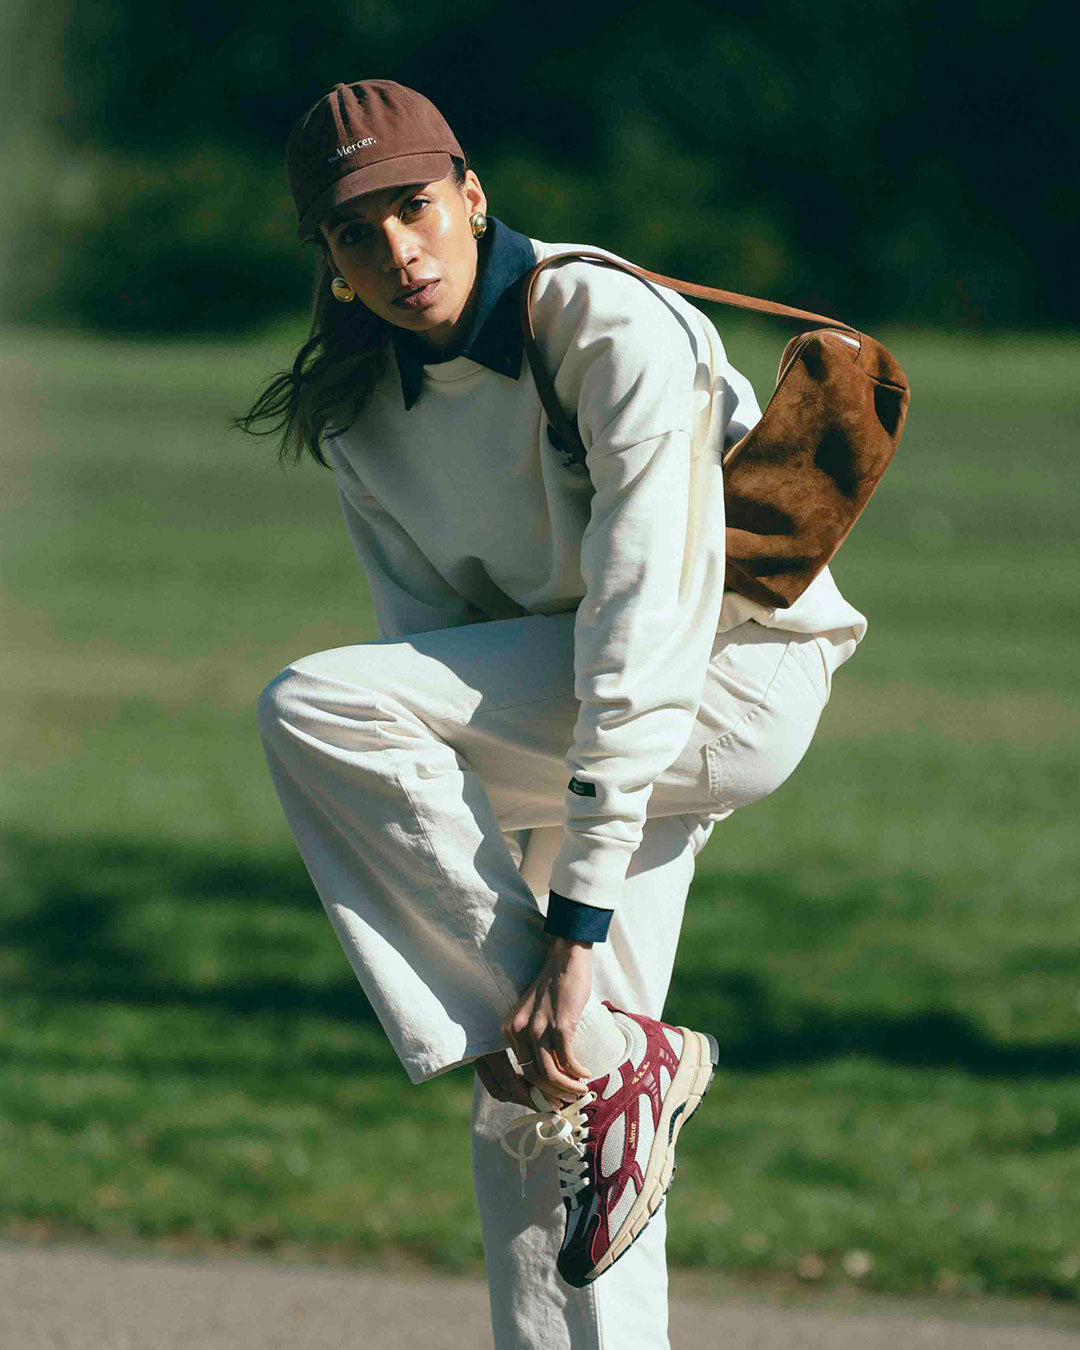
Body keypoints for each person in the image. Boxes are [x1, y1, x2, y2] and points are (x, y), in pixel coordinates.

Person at [239, 77, 866, 1350]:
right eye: (356, 234)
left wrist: (572, 922)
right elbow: (440, 655)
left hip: (722, 684)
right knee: (547, 1101)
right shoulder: (363, 411)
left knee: (316, 707)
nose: (396, 252)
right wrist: (550, 974)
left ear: (472, 194)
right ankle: (615, 1065)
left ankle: (622, 1043)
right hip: (568, 718)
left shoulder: (607, 324)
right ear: (329, 257)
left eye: (415, 207)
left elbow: (646, 626)